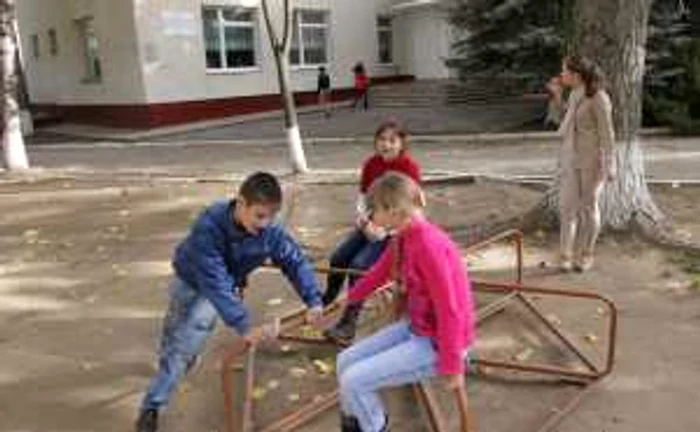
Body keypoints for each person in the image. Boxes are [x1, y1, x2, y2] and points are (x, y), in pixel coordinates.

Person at [135, 172, 324, 432]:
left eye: (271, 216)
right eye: (259, 215)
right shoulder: (209, 225)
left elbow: (294, 261)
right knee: (177, 337)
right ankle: (158, 389)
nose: (265, 223)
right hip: (192, 281)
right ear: (241, 203)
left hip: (220, 288)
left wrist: (313, 300)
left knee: (184, 348)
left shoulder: (271, 231)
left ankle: (154, 400)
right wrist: (245, 325)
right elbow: (214, 282)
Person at [335, 172, 476, 432]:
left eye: (373, 211)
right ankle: (358, 423)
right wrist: (351, 296)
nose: (369, 218)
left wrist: (453, 364)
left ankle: (374, 425)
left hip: (440, 343)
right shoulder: (403, 236)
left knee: (354, 381)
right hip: (418, 328)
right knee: (344, 361)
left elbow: (450, 310)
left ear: (392, 210)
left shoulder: (429, 246)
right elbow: (379, 272)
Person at [323, 121, 422, 344]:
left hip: (393, 231)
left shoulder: (409, 168)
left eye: (392, 140)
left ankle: (347, 324)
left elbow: (411, 209)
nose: (386, 144)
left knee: (359, 266)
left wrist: (385, 230)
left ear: (401, 143)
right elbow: (362, 198)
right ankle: (327, 300)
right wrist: (365, 221)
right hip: (370, 222)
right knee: (339, 257)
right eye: (382, 139)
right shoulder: (371, 164)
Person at [557, 55, 616, 272]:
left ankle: (586, 254)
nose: (562, 74)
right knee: (566, 208)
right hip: (571, 159)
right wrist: (556, 96)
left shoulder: (599, 97)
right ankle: (565, 253)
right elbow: (568, 121)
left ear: (577, 75)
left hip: (593, 161)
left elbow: (608, 135)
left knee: (589, 209)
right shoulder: (573, 93)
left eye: (565, 71)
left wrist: (611, 165)